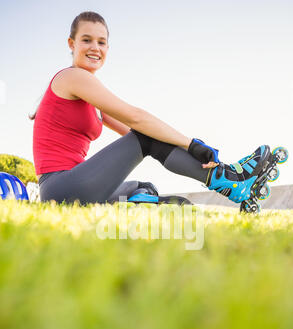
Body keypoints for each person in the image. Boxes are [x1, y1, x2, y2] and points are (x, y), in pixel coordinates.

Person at [31, 11, 270, 207]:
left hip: (79, 184)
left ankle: (227, 179)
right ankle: (228, 180)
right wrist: (192, 144)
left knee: (145, 189)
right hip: (61, 187)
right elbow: (138, 120)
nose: (95, 47)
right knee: (145, 135)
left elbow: (149, 135)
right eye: (86, 40)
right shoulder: (73, 77)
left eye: (101, 42)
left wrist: (193, 148)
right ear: (72, 44)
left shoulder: (91, 98)